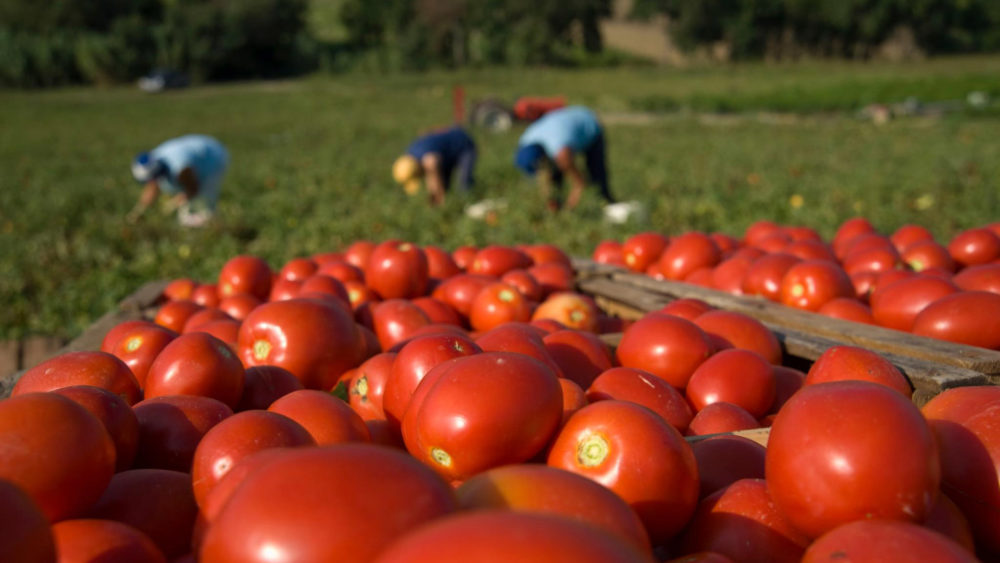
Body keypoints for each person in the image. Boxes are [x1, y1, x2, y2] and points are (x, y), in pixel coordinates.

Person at [514, 105, 616, 211]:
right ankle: (558, 206)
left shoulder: (558, 145)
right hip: (564, 128)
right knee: (555, 176)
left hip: (588, 123)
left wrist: (577, 187)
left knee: (596, 171)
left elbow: (576, 177)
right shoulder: (526, 141)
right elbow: (543, 176)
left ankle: (606, 203)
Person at [128, 134, 229, 227]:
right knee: (186, 214)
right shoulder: (154, 161)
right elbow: (152, 187)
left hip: (212, 156)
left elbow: (193, 188)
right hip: (193, 151)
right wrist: (138, 212)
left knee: (202, 206)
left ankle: (216, 225)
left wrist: (173, 204)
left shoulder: (180, 168)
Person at [392, 126, 477, 206]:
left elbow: (434, 178)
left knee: (464, 184)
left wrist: (438, 199)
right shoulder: (410, 154)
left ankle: (470, 204)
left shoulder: (430, 160)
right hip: (445, 153)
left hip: (464, 145)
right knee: (445, 185)